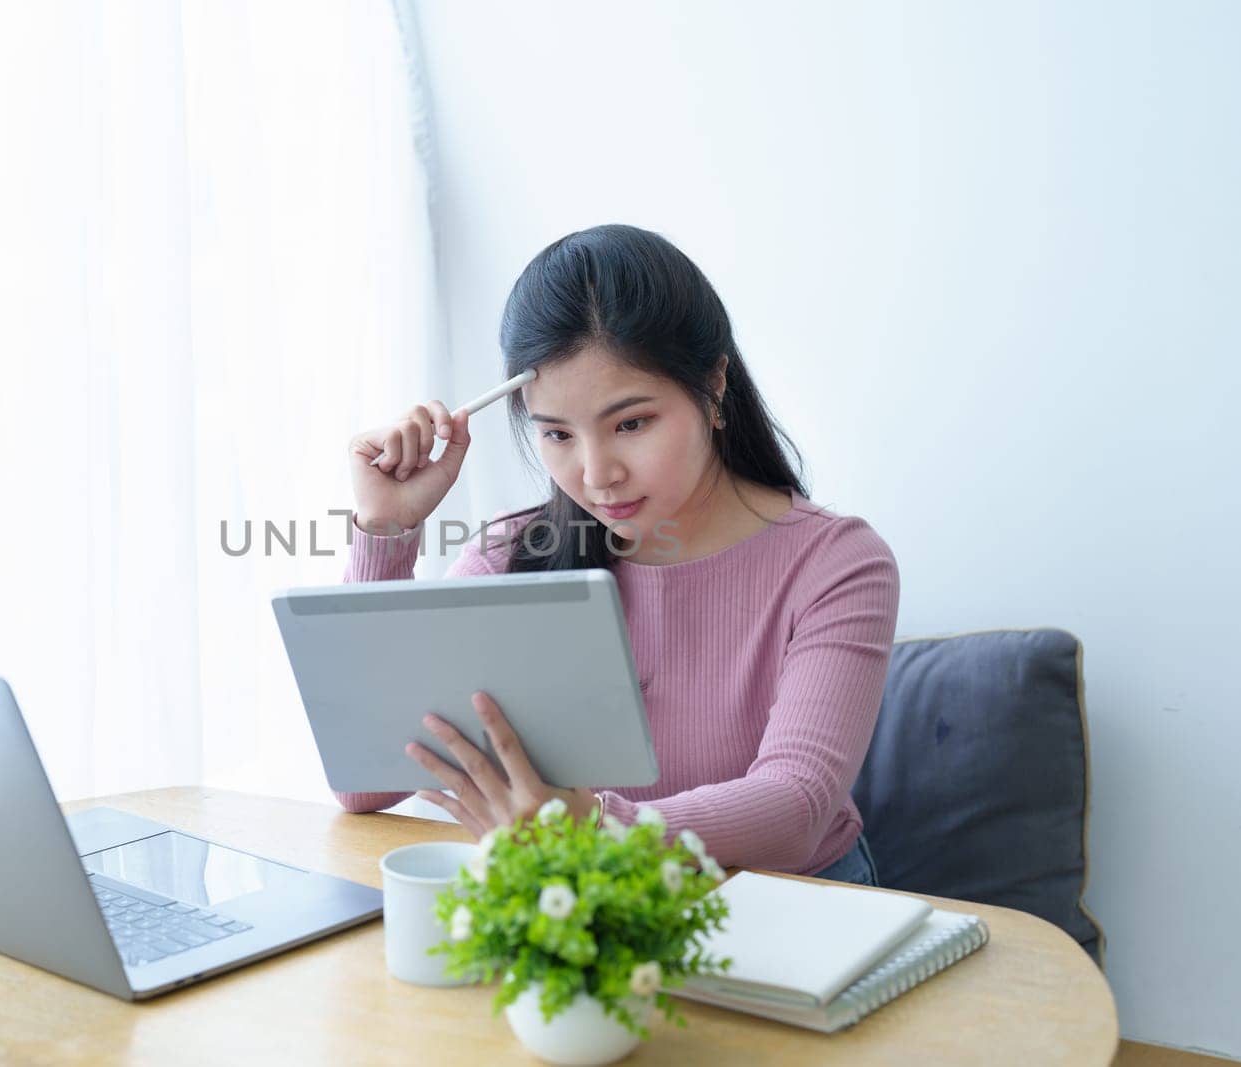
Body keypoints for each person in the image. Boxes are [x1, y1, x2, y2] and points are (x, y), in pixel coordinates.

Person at [336, 224, 896, 885]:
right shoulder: (511, 558)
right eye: (557, 433)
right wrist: (384, 529)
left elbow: (795, 806)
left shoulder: (835, 563)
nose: (597, 472)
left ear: (715, 387)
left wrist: (592, 827)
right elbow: (363, 786)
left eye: (631, 423)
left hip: (793, 904)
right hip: (582, 910)